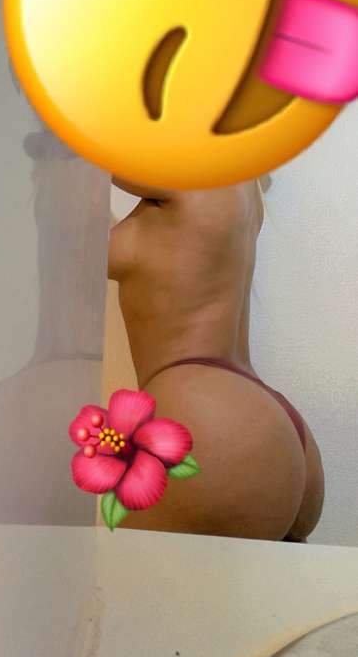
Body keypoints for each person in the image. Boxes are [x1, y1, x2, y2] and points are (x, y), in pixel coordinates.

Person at [108, 176, 324, 541]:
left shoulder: (188, 173)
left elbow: (89, 154)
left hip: (207, 420)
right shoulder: (245, 190)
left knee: (128, 574)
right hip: (277, 427)